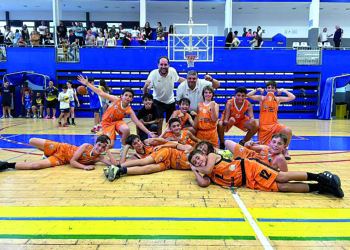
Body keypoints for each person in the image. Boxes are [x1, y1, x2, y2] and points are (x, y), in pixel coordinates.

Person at [187, 150, 344, 198]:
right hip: (249, 182)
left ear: (204, 154)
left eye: (198, 158)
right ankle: (322, 188)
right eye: (195, 162)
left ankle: (320, 176)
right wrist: (194, 170)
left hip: (250, 168)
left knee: (281, 176)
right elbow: (203, 183)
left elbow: (206, 170)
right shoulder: (205, 173)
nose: (198, 162)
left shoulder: (212, 157)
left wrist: (197, 168)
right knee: (282, 187)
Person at [77, 75, 157, 153]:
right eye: (126, 95)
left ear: (132, 99)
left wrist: (149, 132)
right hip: (107, 123)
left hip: (118, 121)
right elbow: (101, 93)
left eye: (130, 96)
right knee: (110, 145)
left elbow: (138, 123)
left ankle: (123, 146)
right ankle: (100, 143)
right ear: (121, 96)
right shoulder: (115, 100)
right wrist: (88, 84)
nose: (127, 97)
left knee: (126, 129)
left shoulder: (129, 110)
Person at [0, 135, 117, 172]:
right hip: (61, 148)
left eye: (103, 147)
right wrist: (84, 167)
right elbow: (73, 162)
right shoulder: (86, 146)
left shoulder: (99, 157)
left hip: (61, 159)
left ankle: (6, 165)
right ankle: (46, 153)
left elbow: (114, 164)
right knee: (32, 141)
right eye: (99, 145)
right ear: (95, 143)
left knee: (36, 166)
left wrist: (108, 151)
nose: (100, 148)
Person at [247, 81, 295, 160]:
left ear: (275, 90)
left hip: (274, 125)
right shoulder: (261, 98)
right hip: (263, 127)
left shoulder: (278, 99)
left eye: (272, 88)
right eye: (268, 88)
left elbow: (292, 97)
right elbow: (248, 95)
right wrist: (257, 89)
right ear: (266, 89)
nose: (270, 89)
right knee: (263, 151)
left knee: (287, 130)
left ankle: (284, 150)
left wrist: (283, 90)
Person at [106, 143, 193, 181]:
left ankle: (121, 171)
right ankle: (117, 167)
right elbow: (176, 145)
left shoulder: (197, 164)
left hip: (169, 164)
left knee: (148, 169)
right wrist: (162, 145)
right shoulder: (189, 149)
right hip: (167, 153)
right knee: (144, 162)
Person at [143, 56, 185, 133]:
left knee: (172, 122)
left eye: (165, 65)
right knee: (159, 122)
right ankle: (159, 139)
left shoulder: (172, 71)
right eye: (161, 64)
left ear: (168, 65)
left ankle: (172, 139)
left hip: (170, 101)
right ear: (158, 65)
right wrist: (145, 86)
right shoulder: (153, 74)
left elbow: (178, 79)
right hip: (158, 101)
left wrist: (190, 81)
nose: (163, 67)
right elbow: (145, 92)